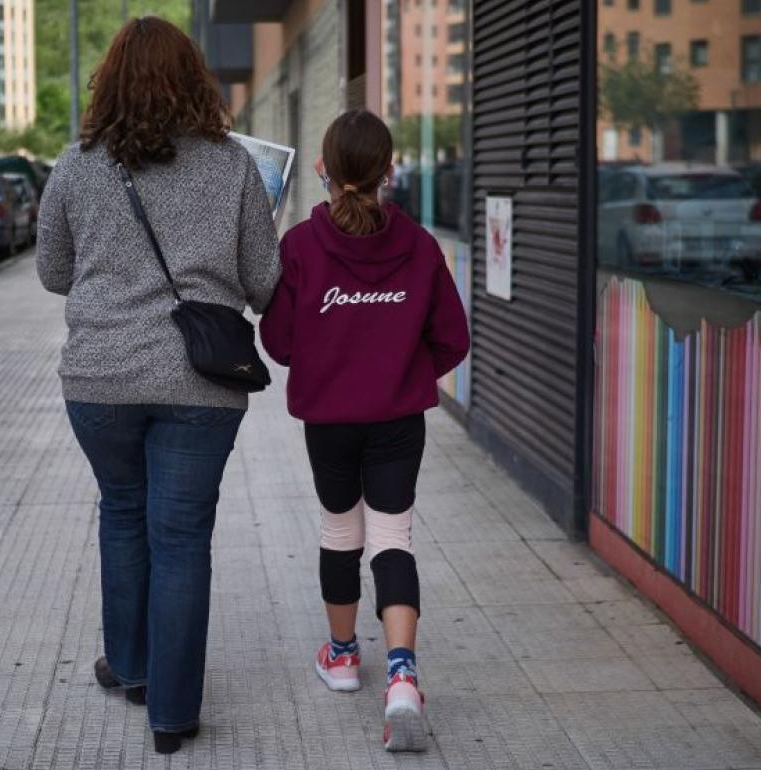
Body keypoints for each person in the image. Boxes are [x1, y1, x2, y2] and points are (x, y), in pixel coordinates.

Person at [34, 17, 280, 755]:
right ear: (194, 78)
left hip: (101, 380)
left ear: (108, 81)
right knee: (181, 539)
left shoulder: (78, 164)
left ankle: (133, 666)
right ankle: (171, 715)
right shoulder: (233, 164)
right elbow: (265, 285)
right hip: (200, 382)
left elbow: (52, 272)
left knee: (122, 513)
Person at [258, 109, 470, 752]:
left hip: (330, 420)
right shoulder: (422, 246)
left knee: (340, 530)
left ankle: (345, 657)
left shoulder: (298, 246)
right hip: (397, 419)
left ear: (325, 169)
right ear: (388, 171)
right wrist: (402, 374)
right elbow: (453, 340)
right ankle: (403, 675)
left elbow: (279, 341)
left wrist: (334, 363)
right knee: (391, 536)